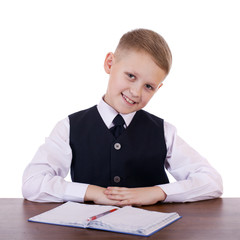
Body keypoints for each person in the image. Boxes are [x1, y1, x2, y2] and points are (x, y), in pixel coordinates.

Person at [22, 29, 223, 206]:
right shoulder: (69, 127)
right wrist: (94, 193)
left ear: (158, 88)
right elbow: (32, 183)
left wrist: (156, 193)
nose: (136, 92)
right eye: (131, 76)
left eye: (148, 86)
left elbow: (211, 181)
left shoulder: (164, 132)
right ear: (110, 63)